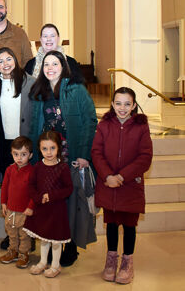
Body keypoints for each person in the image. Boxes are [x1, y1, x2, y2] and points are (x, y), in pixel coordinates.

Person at [29, 50, 97, 266]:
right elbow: (34, 125)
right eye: (46, 64)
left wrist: (84, 155)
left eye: (55, 64)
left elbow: (90, 121)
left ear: (63, 66)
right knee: (52, 203)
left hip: (72, 154)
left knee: (71, 203)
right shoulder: (39, 91)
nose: (50, 68)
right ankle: (51, 242)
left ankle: (71, 246)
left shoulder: (76, 90)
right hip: (49, 156)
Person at [91, 87, 153, 284]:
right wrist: (108, 176)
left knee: (129, 225)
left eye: (127, 104)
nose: (122, 108)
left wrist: (122, 176)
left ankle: (127, 263)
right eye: (118, 103)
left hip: (129, 184)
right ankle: (111, 261)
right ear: (112, 104)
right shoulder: (104, 124)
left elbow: (145, 157)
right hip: (108, 183)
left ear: (134, 105)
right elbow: (96, 152)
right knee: (111, 223)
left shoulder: (141, 127)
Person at [0, 47, 34, 251]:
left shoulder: (29, 82)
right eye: (0, 61)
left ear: (16, 60)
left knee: (27, 192)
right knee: (12, 192)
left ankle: (28, 236)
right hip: (4, 144)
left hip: (24, 142)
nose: (5, 63)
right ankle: (12, 233)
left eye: (9, 58)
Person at [23, 131, 73, 278]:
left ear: (59, 148)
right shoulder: (38, 166)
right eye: (45, 149)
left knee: (56, 240)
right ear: (39, 149)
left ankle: (55, 265)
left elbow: (68, 188)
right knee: (44, 238)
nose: (49, 152)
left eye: (52, 148)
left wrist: (51, 196)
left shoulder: (63, 168)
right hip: (42, 209)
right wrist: (38, 198)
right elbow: (31, 186)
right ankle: (43, 261)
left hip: (57, 210)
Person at [0, 136, 35, 268]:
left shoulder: (32, 172)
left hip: (24, 211)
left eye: (23, 154)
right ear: (12, 154)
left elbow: (35, 193)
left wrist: (30, 207)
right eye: (16, 154)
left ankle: (24, 254)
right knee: (11, 233)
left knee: (24, 235)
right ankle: (12, 251)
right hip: (11, 210)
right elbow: (5, 187)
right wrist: (3, 203)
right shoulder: (9, 170)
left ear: (30, 155)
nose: (19, 158)